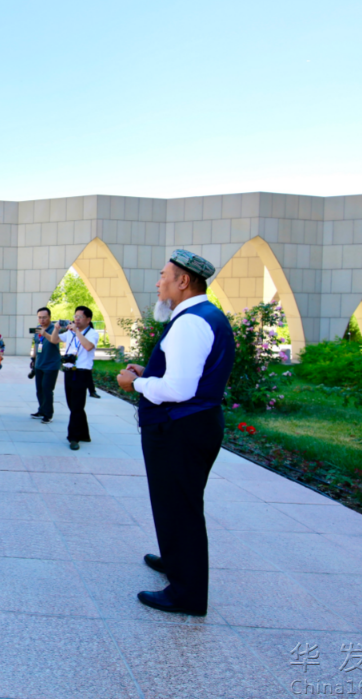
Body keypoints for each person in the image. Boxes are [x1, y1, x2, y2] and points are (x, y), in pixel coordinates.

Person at [116, 249, 235, 618]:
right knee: (177, 503)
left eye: (163, 275)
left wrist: (135, 384)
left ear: (184, 281)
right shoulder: (203, 315)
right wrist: (148, 373)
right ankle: (176, 560)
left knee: (180, 507)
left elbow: (180, 388)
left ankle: (186, 593)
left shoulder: (190, 321)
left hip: (181, 427)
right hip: (190, 425)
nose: (158, 282)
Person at [59, 306, 100, 451]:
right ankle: (84, 434)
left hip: (82, 373)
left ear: (88, 320)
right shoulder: (70, 333)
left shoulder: (92, 333)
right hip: (69, 371)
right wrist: (56, 328)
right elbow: (54, 340)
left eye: (80, 317)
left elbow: (88, 346)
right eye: (75, 316)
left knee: (77, 406)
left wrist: (77, 332)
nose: (76, 319)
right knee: (73, 405)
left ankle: (73, 437)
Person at [31, 307, 62, 424]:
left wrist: (45, 333)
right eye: (39, 317)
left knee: (47, 390)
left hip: (51, 365)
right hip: (39, 364)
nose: (42, 320)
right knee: (39, 390)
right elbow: (36, 344)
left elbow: (54, 341)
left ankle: (48, 414)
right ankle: (41, 410)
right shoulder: (37, 329)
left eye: (44, 317)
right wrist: (33, 359)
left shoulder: (55, 328)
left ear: (49, 317)